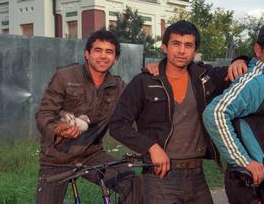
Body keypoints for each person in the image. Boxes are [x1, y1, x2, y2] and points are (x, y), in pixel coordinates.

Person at [108, 20, 248, 204]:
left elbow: (254, 65)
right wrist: (151, 147)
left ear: (195, 51)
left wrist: (241, 60)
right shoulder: (144, 82)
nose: (182, 51)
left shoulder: (205, 78)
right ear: (164, 47)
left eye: (188, 45)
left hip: (197, 176)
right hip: (159, 176)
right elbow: (117, 125)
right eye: (176, 44)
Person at [35, 30, 141, 204]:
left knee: (132, 182)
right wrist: (57, 130)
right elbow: (44, 114)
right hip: (56, 157)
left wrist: (154, 70)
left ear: (115, 58)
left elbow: (141, 98)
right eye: (98, 50)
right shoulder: (65, 76)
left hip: (91, 155)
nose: (103, 56)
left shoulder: (119, 87)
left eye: (109, 52)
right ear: (87, 54)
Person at [203, 21, 264, 204]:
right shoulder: (256, 80)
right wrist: (244, 161)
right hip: (252, 186)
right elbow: (214, 114)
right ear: (258, 49)